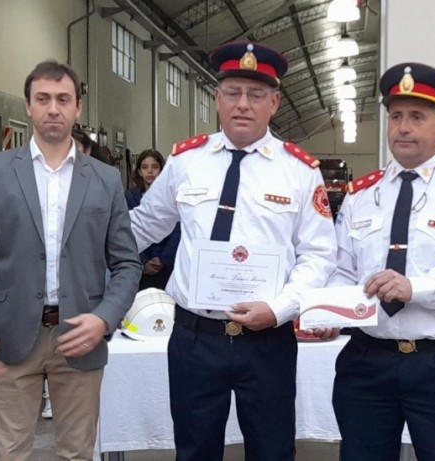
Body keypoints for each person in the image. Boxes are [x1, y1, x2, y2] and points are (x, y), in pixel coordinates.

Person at [129, 41, 337, 461]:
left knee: (272, 451)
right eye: (233, 92)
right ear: (216, 99)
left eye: (256, 94)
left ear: (274, 103)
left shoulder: (299, 170)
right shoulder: (186, 160)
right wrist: (83, 251)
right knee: (194, 451)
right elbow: (143, 226)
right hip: (195, 337)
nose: (243, 104)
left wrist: (279, 309)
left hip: (267, 340)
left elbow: (319, 254)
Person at [0, 60, 141, 461]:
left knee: (77, 452)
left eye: (63, 99)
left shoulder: (105, 179)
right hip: (10, 334)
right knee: (9, 453)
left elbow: (128, 263)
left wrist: (104, 318)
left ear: (78, 108)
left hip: (81, 332)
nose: (53, 109)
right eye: (43, 99)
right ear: (28, 106)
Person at [329, 63, 435, 461]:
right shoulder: (361, 195)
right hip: (366, 360)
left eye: (417, 117)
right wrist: (329, 312)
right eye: (395, 116)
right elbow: (341, 269)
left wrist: (415, 288)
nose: (403, 128)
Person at [125, 149, 180, 290]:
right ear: (139, 171)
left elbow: (177, 229)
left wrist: (163, 259)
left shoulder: (174, 196)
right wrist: (143, 262)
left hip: (167, 263)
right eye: (145, 167)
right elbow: (128, 230)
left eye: (155, 167)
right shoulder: (130, 196)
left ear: (162, 170)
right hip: (139, 264)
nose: (150, 171)